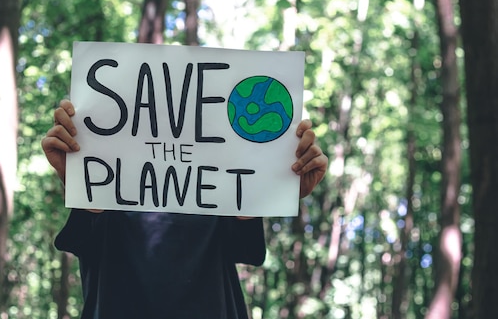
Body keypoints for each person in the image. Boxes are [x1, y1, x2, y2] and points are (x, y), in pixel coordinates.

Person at [42, 99, 328, 319]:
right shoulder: (110, 189)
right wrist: (82, 178)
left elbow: (245, 247)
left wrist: (278, 182)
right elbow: (83, 237)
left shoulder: (218, 188)